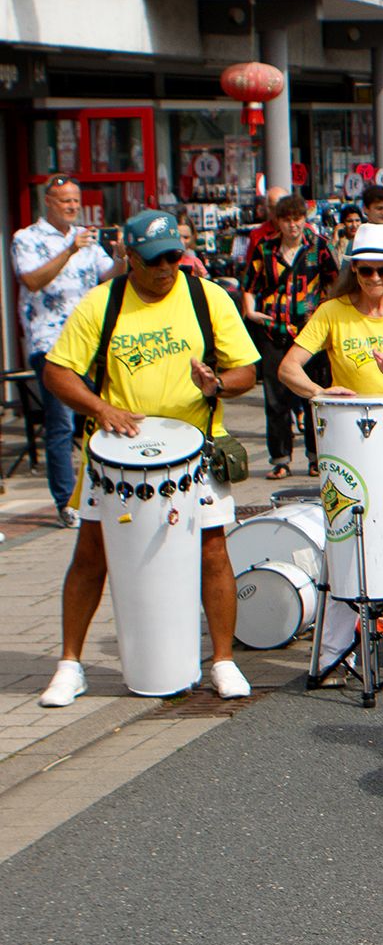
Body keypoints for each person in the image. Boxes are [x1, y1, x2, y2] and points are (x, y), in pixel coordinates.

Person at [36, 211, 261, 708]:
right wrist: (100, 408)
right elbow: (57, 372)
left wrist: (218, 384)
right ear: (129, 257)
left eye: (173, 257)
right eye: (154, 260)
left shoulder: (206, 297)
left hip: (196, 447)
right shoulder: (103, 302)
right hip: (116, 453)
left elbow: (247, 370)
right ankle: (70, 665)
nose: (166, 268)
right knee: (91, 555)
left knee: (213, 551)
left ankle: (223, 661)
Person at [276, 224, 383, 676]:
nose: (374, 279)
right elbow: (288, 368)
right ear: (353, 269)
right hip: (348, 442)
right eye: (366, 270)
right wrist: (320, 392)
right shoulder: (332, 312)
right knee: (345, 540)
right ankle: (335, 651)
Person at [12, 179, 116, 523]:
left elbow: (109, 278)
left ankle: (103, 495)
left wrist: (122, 257)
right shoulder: (26, 238)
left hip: (91, 342)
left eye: (75, 200)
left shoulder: (86, 237)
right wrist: (69, 250)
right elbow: (32, 280)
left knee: (103, 417)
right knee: (61, 425)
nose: (72, 206)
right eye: (65, 201)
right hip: (51, 344)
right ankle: (67, 503)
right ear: (48, 202)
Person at [241, 194, 338, 480]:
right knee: (276, 399)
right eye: (287, 220)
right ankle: (280, 459)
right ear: (278, 222)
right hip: (274, 330)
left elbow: (334, 282)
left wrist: (327, 317)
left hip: (310, 333)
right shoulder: (266, 248)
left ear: (304, 219)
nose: (293, 225)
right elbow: (248, 284)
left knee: (314, 395)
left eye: (297, 219)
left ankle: (316, 457)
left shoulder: (318, 246)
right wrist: (251, 312)